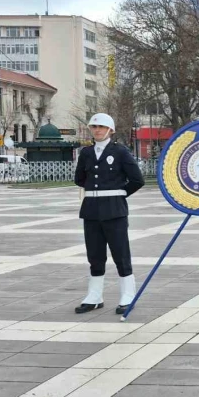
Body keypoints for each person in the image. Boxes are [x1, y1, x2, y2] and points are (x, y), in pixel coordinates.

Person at [74, 113, 145, 314]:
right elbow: (79, 178)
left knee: (120, 254)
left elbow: (137, 180)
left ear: (110, 130)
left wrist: (118, 194)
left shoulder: (120, 152)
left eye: (101, 127)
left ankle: (128, 295)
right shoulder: (86, 153)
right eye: (94, 127)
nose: (97, 130)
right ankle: (94, 296)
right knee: (95, 255)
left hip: (114, 210)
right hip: (91, 210)